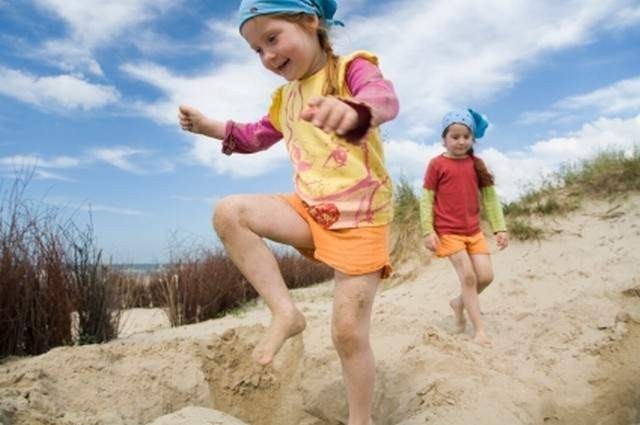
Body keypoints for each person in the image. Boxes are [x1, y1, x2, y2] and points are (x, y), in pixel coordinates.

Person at [178, 1, 399, 423]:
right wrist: (209, 127)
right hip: (310, 212)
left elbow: (383, 98)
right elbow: (255, 136)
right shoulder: (286, 98)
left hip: (361, 219)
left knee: (348, 333)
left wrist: (356, 110)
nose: (267, 56)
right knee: (230, 212)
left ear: (311, 22)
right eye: (257, 50)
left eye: (272, 38)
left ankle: (360, 418)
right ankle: (285, 311)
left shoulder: (349, 69)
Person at [420, 109, 508, 346]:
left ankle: (459, 303)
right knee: (468, 277)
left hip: (474, 231)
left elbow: (490, 199)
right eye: (455, 137)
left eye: (466, 137)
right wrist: (428, 230)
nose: (461, 141)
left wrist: (500, 228)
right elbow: (426, 199)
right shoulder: (437, 164)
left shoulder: (477, 165)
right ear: (444, 139)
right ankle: (479, 330)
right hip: (448, 231)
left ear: (472, 139)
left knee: (486, 276)